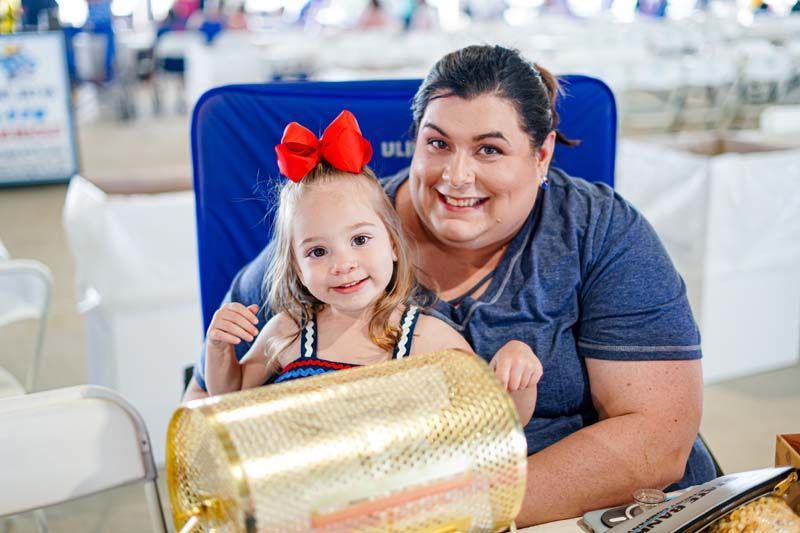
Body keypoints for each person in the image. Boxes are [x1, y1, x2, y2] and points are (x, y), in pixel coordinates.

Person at [184, 46, 716, 525]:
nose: (456, 176)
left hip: (585, 511)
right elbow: (210, 406)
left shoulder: (598, 230)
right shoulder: (336, 229)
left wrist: (444, 514)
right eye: (438, 143)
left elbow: (657, 437)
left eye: (489, 150)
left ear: (542, 155)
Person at [201, 110, 541, 425]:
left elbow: (499, 423)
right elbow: (230, 401)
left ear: (393, 243)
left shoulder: (425, 338)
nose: (343, 264)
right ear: (296, 266)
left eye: (360, 240)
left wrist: (519, 375)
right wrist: (218, 348)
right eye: (318, 251)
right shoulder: (288, 331)